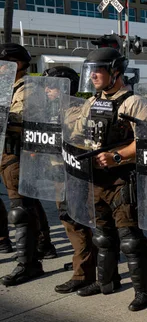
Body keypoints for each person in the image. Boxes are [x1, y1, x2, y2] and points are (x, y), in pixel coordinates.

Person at [73, 48, 147, 311]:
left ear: (116, 72)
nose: (94, 75)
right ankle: (106, 281)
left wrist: (117, 157)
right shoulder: (91, 102)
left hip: (123, 179)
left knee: (130, 238)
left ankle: (144, 290)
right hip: (95, 179)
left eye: (99, 70)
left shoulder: (134, 103)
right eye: (91, 71)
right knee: (103, 236)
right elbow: (78, 134)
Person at [0, 43, 57, 287]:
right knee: (29, 202)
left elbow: (21, 117)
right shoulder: (8, 88)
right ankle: (44, 245)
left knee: (20, 208)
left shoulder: (28, 89)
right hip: (7, 151)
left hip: (19, 152)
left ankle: (29, 263)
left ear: (17, 64)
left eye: (3, 64)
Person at [39, 66, 98, 294]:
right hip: (58, 172)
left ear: (67, 87)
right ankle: (82, 258)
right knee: (67, 219)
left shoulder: (77, 110)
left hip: (74, 174)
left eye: (53, 86)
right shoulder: (52, 109)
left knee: (75, 220)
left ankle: (83, 273)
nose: (48, 90)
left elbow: (74, 135)